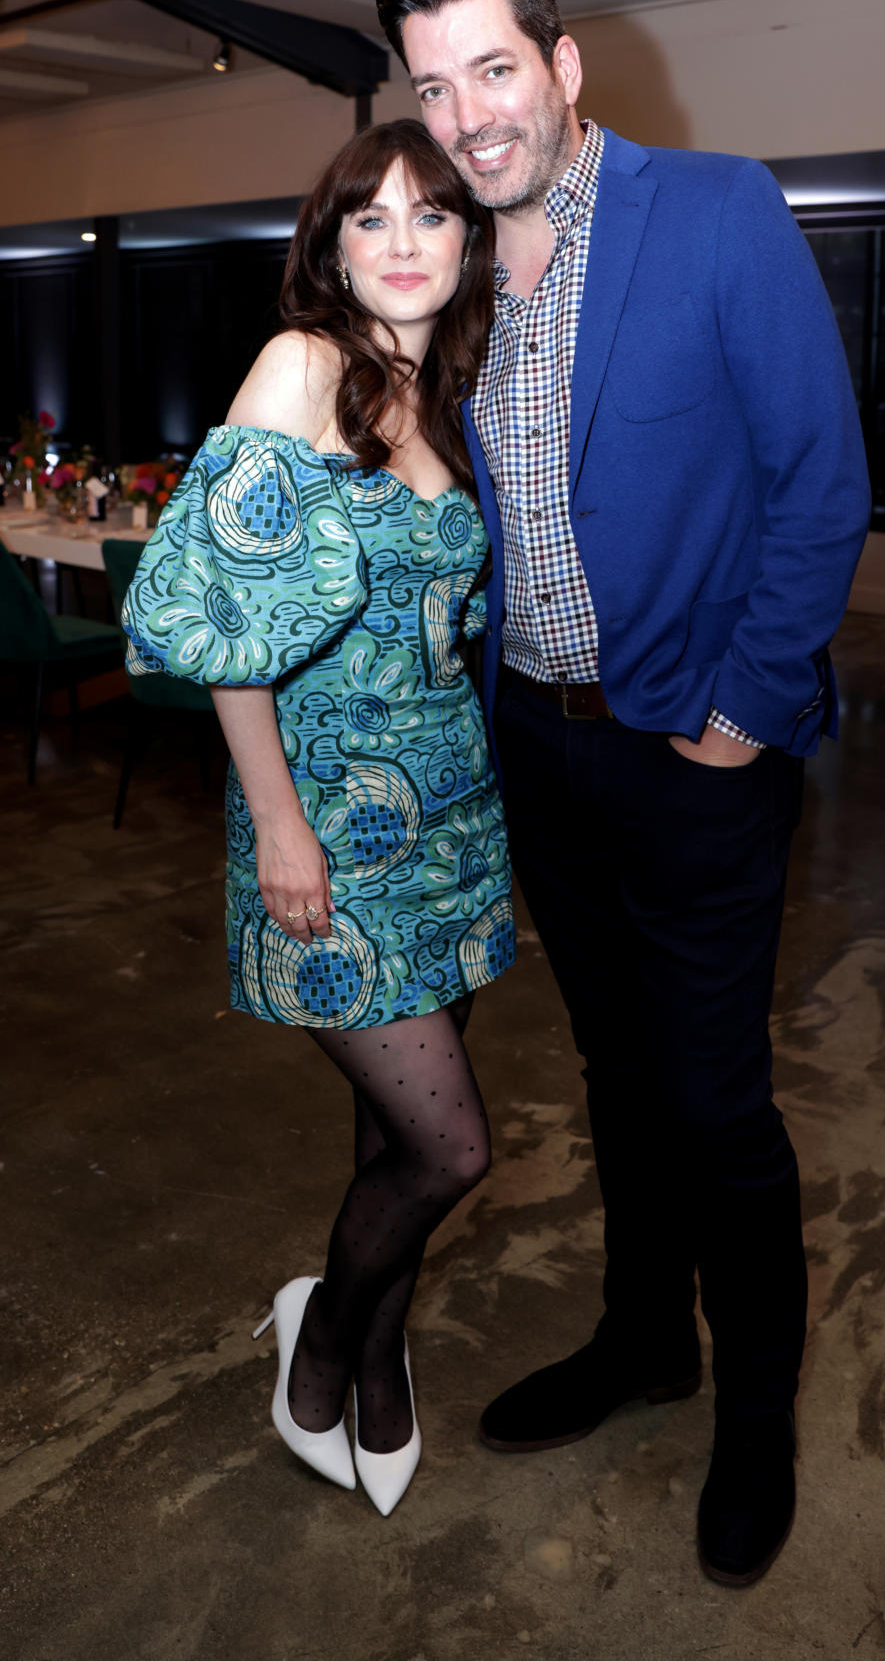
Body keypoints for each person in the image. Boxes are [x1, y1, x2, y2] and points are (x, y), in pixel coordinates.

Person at [375, 0, 872, 1583]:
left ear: (564, 66)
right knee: (613, 1077)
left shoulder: (715, 211)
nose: (467, 116)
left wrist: (742, 710)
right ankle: (644, 1337)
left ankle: (758, 1420)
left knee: (717, 1099)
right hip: (540, 747)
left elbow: (818, 485)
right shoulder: (441, 261)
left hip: (694, 751)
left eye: (494, 69)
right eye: (433, 87)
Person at [122, 119, 514, 1517]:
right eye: (372, 218)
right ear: (331, 241)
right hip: (328, 820)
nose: (404, 244)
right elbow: (217, 626)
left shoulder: (455, 382)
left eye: (433, 217)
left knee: (393, 1131)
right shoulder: (302, 368)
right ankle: (326, 1331)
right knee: (452, 1144)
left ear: (468, 241)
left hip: (456, 813)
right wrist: (278, 824)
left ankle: (385, 1345)